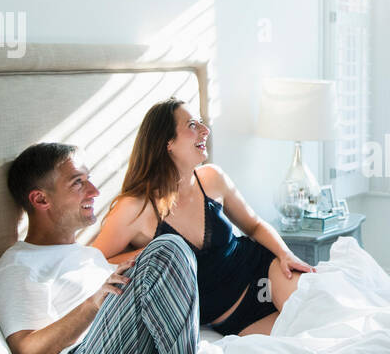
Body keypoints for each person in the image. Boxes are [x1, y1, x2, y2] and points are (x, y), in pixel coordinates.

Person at [0, 143, 201, 354]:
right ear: (40, 200)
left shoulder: (88, 255)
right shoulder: (18, 266)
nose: (95, 192)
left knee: (173, 251)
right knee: (169, 247)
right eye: (78, 183)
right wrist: (93, 303)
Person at [91, 98, 314, 336]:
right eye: (192, 125)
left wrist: (284, 254)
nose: (205, 131)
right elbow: (93, 260)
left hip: (264, 272)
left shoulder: (211, 178)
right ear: (167, 143)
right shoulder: (135, 207)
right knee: (295, 350)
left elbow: (255, 225)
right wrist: (153, 253)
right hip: (228, 319)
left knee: (317, 326)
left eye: (201, 123)